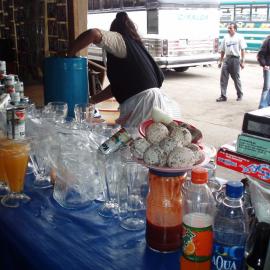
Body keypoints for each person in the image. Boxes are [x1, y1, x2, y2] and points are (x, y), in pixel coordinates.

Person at [68, 12, 175, 127]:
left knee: (134, 141)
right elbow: (118, 87)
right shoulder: (137, 48)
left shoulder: (120, 39)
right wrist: (92, 100)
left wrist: (69, 54)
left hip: (144, 104)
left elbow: (93, 33)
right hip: (154, 104)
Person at [216, 23, 247, 102]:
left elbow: (243, 50)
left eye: (231, 28)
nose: (229, 30)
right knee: (223, 78)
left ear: (235, 29)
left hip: (235, 59)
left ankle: (240, 94)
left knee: (236, 78)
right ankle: (223, 96)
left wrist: (242, 61)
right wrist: (220, 61)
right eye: (228, 28)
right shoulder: (225, 37)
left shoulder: (239, 37)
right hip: (227, 59)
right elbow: (222, 50)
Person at [257, 35, 270, 108]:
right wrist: (264, 64)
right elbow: (261, 54)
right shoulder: (267, 41)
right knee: (267, 88)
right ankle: (261, 107)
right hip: (268, 68)